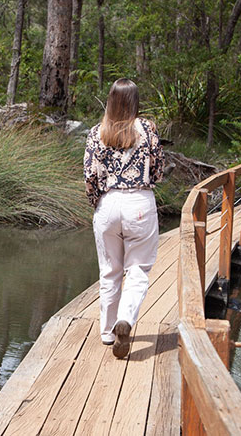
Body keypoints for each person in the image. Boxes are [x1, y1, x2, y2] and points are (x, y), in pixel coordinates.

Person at [83, 78, 166, 359]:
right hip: (139, 203)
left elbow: (90, 176)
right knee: (138, 270)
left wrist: (99, 203)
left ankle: (108, 332)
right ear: (135, 102)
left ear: (110, 100)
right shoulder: (148, 131)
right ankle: (126, 320)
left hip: (108, 204)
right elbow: (158, 171)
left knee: (109, 271)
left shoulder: (97, 133)